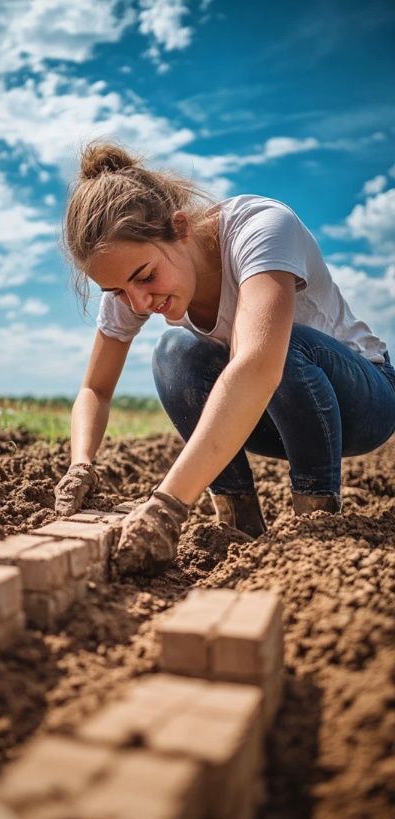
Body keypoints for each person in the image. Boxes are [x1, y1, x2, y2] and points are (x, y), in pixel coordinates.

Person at [55, 140, 395, 575]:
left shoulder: (262, 229)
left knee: (277, 344)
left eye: (145, 277)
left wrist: (167, 506)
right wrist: (80, 463)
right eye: (118, 291)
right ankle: (238, 523)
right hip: (271, 414)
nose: (137, 302)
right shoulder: (133, 283)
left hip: (365, 404)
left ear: (179, 228)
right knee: (173, 352)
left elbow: (257, 365)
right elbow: (95, 389)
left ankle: (316, 524)